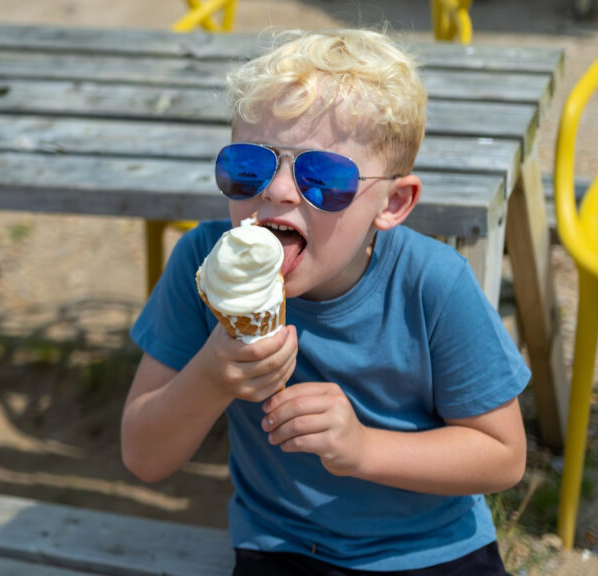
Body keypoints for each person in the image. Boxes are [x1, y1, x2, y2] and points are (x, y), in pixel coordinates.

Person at [121, 28, 528, 575]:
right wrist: (213, 377)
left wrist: (363, 450)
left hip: (433, 549)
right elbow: (144, 456)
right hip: (282, 545)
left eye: (325, 178)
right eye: (249, 165)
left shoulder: (433, 284)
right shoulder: (204, 263)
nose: (281, 191)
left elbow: (503, 457)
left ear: (394, 203)